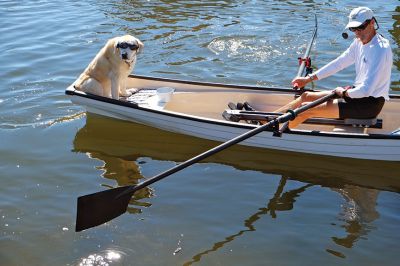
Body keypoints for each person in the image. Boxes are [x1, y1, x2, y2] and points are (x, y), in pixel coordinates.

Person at [275, 6, 392, 129]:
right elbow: (339, 63)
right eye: (353, 28)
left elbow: (367, 90)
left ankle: (272, 131)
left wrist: (344, 93)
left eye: (360, 27)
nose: (356, 32)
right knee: (305, 96)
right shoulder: (358, 42)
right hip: (355, 94)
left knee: (305, 109)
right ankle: (268, 121)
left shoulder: (380, 49)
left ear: (372, 23)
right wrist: (308, 79)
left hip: (368, 105)